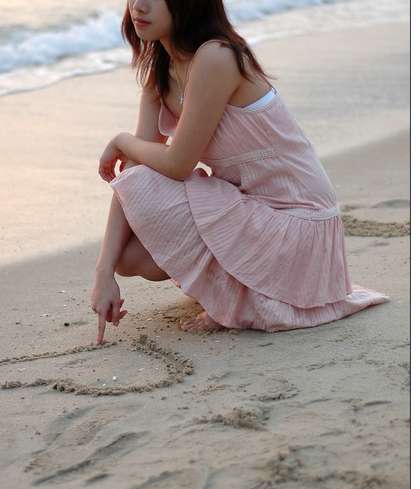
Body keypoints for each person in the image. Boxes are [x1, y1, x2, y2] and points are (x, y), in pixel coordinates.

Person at [90, 0, 390, 345]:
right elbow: (134, 173)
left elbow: (177, 164)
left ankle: (234, 298)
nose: (139, 6)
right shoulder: (160, 72)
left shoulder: (216, 56)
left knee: (142, 174)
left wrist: (122, 140)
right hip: (252, 211)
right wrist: (104, 273)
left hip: (298, 223)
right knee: (128, 257)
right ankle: (235, 290)